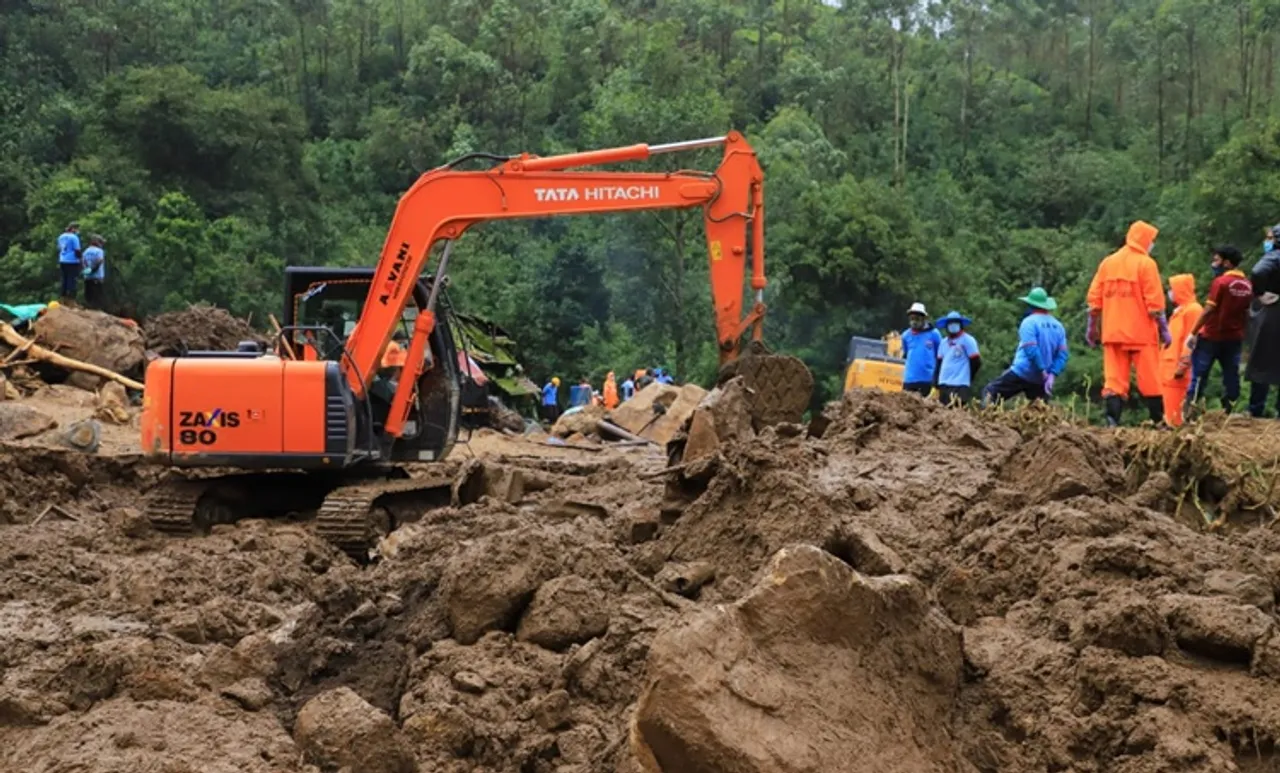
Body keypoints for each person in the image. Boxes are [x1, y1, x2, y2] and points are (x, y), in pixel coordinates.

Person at [1086, 220, 1170, 426]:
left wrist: (1092, 328)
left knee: (1114, 381)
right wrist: (1165, 331)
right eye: (1152, 241)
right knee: (1151, 380)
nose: (1152, 245)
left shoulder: (1108, 263)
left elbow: (1094, 300)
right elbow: (1155, 304)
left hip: (1113, 332)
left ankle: (1112, 422)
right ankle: (1158, 422)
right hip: (1141, 334)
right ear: (1145, 240)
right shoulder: (1146, 264)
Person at [1186, 245, 1252, 414]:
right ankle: (1230, 409)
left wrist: (1193, 332)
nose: (1214, 264)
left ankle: (1190, 410)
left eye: (1216, 260)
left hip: (1212, 336)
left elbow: (1209, 310)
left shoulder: (1221, 282)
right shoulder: (1247, 285)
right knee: (1231, 375)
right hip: (1234, 338)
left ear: (1227, 263)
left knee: (1200, 375)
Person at [981, 288, 1068, 407]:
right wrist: (1051, 375)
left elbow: (1031, 349)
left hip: (1022, 371)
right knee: (1039, 409)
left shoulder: (1029, 322)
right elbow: (1062, 355)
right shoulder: (1059, 327)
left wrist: (1041, 370)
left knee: (991, 392)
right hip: (1041, 380)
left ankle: (987, 421)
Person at [1159, 274, 1202, 427]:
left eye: (1172, 288)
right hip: (1169, 369)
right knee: (1170, 410)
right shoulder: (1180, 311)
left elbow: (1192, 340)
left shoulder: (1193, 310)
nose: (1170, 292)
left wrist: (1184, 364)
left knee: (1178, 415)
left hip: (1180, 372)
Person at [1247, 228, 1280, 417]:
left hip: (1274, 311)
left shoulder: (1275, 256)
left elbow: (1258, 271)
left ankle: (1255, 408)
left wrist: (1260, 293)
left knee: (1262, 358)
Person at [933, 310, 981, 406]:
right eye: (950, 323)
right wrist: (935, 383)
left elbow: (976, 362)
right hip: (944, 383)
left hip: (960, 384)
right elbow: (939, 364)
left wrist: (969, 376)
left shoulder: (968, 340)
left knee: (958, 411)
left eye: (955, 323)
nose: (953, 325)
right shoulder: (943, 342)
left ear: (960, 324)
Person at [900, 302, 942, 396]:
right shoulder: (906, 335)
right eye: (912, 318)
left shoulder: (934, 334)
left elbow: (939, 354)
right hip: (909, 379)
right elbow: (906, 353)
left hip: (927, 379)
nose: (914, 321)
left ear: (924, 319)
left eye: (917, 318)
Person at [57, 222, 82, 302]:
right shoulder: (74, 237)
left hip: (62, 260)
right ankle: (70, 299)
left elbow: (59, 248)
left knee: (64, 279)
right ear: (73, 229)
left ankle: (63, 297)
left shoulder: (61, 237)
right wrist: (81, 259)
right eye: (77, 229)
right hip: (72, 261)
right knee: (72, 279)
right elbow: (77, 250)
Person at [81, 235, 106, 309]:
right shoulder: (99, 251)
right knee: (97, 300)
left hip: (87, 278)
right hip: (97, 278)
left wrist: (87, 271)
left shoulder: (85, 251)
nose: (102, 245)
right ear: (97, 242)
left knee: (89, 298)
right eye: (101, 243)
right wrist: (93, 270)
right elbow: (99, 261)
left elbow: (83, 263)